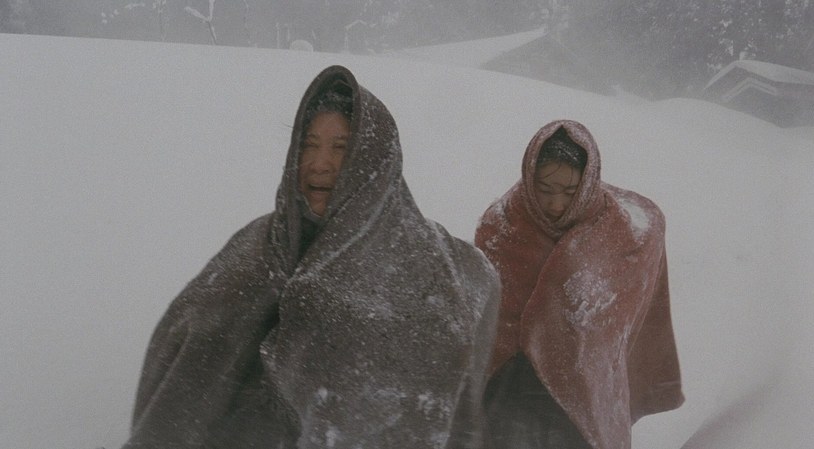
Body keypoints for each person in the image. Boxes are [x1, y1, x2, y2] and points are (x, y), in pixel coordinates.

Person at [123, 65, 500, 449]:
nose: (320, 163)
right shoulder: (257, 245)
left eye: (341, 148)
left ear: (373, 160)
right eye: (309, 144)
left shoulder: (422, 264)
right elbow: (185, 358)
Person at [475, 120, 684, 449]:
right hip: (510, 393)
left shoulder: (619, 234)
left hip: (581, 400)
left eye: (571, 192)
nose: (556, 204)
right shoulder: (501, 226)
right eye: (545, 189)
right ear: (528, 178)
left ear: (587, 184)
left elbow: (620, 324)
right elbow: (488, 321)